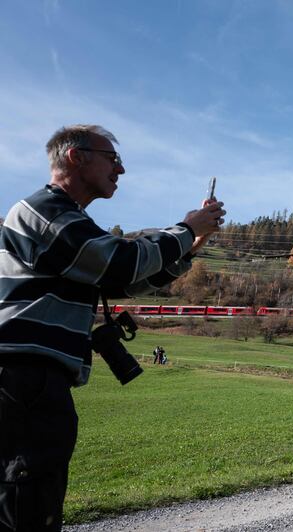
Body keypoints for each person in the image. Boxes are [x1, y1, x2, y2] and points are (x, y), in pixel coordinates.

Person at [0, 124, 224, 531]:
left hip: (33, 385)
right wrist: (188, 227)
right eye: (113, 159)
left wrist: (187, 250)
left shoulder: (69, 223)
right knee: (25, 507)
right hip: (24, 380)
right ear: (76, 157)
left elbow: (123, 280)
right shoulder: (42, 211)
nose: (120, 171)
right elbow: (119, 262)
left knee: (33, 502)